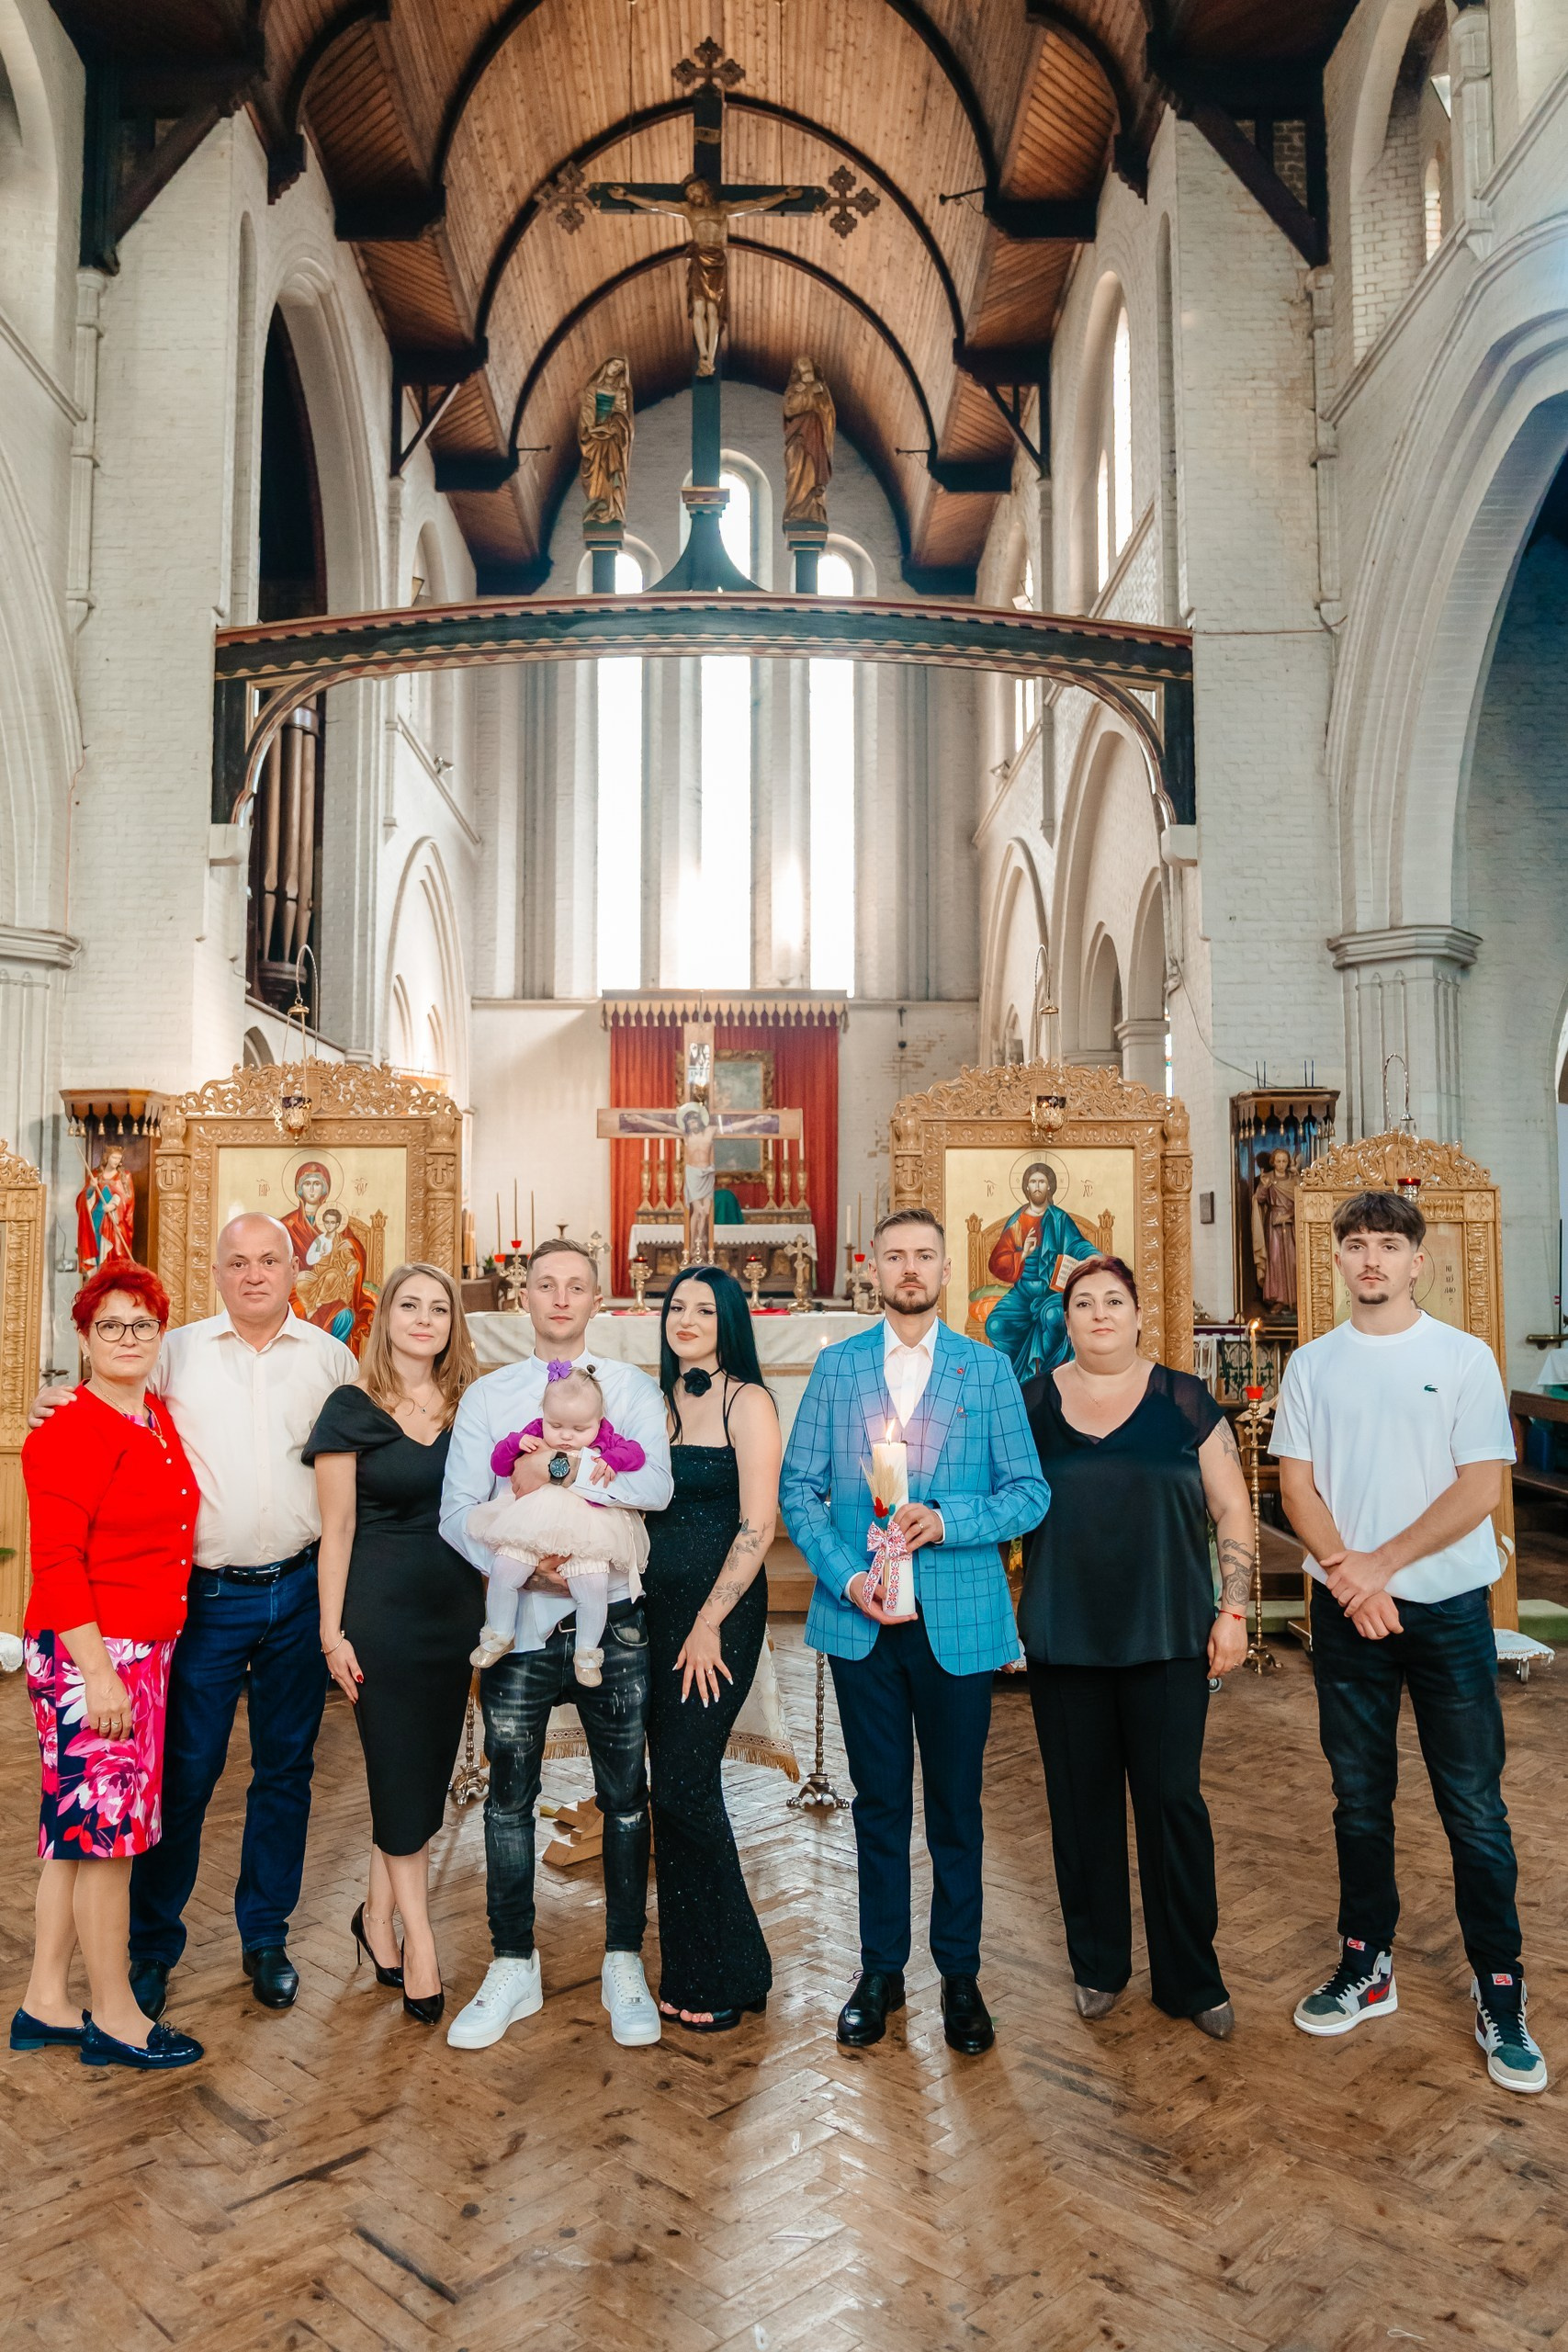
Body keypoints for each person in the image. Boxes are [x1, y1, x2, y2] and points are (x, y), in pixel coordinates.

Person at [34, 1212, 358, 2018]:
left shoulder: (332, 1359)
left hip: (297, 1588)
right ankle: (151, 1946)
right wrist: (53, 1402)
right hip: (205, 1598)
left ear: (294, 1270)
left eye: (269, 1260)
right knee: (183, 1774)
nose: (254, 1275)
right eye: (237, 1262)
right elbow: (107, 1397)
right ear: (215, 1274)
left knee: (285, 1771)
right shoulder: (174, 1350)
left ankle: (266, 1935)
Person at [1272, 1189, 1544, 2093]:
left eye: (1388, 1245)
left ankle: (1499, 1987)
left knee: (1473, 1804)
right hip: (1348, 1613)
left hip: (1446, 1609)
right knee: (1358, 1798)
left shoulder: (1462, 1357)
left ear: (1417, 1260)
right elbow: (1296, 1486)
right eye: (1356, 1244)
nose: (1372, 1259)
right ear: (1336, 1260)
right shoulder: (1312, 1364)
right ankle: (1366, 1962)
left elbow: (1478, 1488)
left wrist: (1376, 1567)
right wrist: (1349, 1579)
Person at [781, 1207, 1049, 2056]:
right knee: (879, 1804)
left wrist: (950, 1519)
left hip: (957, 1621)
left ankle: (960, 1976)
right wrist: (847, 1576)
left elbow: (1029, 1492)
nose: (908, 1268)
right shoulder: (837, 1368)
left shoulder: (986, 1368)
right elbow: (799, 1489)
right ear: (872, 1268)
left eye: (923, 1256)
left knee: (956, 1809)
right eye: (893, 1255)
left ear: (942, 1269)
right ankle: (880, 1971)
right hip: (861, 1620)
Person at [438, 1238, 673, 2052]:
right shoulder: (489, 1395)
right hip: (521, 1627)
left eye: (577, 1286)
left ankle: (621, 1958)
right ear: (525, 1297)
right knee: (508, 1800)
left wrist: (565, 1476)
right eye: (546, 1284)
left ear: (598, 1299)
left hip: (615, 1619)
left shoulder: (631, 1388)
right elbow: (458, 1509)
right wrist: (526, 1563)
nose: (562, 1298)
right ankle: (513, 1962)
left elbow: (656, 1486)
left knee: (624, 1797)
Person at [1020, 1256, 1251, 2037]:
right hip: (1064, 1636)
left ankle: (1189, 1976)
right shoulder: (1029, 1405)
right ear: (1066, 1320)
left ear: (1139, 1314)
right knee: (1079, 1808)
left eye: (1113, 1300)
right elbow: (997, 1507)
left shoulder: (1184, 1401)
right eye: (1083, 1302)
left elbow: (1231, 1509)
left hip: (1167, 1633)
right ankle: (1098, 1964)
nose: (1099, 1314)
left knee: (1171, 1803)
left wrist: (1233, 1610)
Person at [14, 1261, 203, 2071]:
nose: (129, 1337)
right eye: (110, 1325)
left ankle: (44, 2001)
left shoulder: (154, 1416)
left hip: (141, 1651)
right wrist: (98, 1674)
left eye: (143, 1324)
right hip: (92, 1653)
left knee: (79, 1836)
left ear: (160, 1334)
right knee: (108, 1843)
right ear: (84, 1337)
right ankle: (117, 2017)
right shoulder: (68, 1430)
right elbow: (57, 1564)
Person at [304, 1263, 485, 2028]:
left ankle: (374, 1918)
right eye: (409, 1305)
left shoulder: (473, 1405)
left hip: (455, 1616)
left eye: (438, 1308)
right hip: (380, 1617)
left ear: (452, 1324)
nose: (423, 1319)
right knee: (397, 1770)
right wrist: (330, 1634)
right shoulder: (350, 1408)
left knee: (418, 1777)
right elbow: (336, 1530)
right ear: (386, 1319)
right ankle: (420, 1944)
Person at [646, 1265, 780, 2031]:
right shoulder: (650, 1401)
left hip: (714, 1620)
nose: (686, 1319)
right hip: (648, 1615)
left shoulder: (746, 1401)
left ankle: (720, 1971)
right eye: (676, 1307)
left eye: (703, 1308)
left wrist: (708, 1619)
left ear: (728, 1321)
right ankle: (727, 1964)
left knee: (683, 1785)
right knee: (671, 1787)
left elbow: (757, 1525)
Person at [467, 1362, 649, 1682]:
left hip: (588, 1527)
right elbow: (498, 1465)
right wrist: (514, 1444)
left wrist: (611, 1459)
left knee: (592, 1585)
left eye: (580, 1429)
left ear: (599, 1421)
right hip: (531, 1520)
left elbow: (636, 1453)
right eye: (556, 1425)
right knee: (505, 1568)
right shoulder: (534, 1432)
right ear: (544, 1415)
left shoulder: (605, 1436)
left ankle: (587, 1653)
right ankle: (499, 1632)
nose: (566, 1435)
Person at [983, 1163, 1100, 1379]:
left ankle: (1045, 1380)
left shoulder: (1059, 1219)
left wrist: (1092, 1255)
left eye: (1042, 1182)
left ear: (1050, 1187)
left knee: (1053, 1316)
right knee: (996, 1325)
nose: (1037, 1186)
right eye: (1033, 1182)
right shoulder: (1017, 1222)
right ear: (1026, 1187)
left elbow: (1077, 1244)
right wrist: (1022, 1254)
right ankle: (1014, 1380)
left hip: (1052, 1291)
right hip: (1022, 1292)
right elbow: (997, 1262)